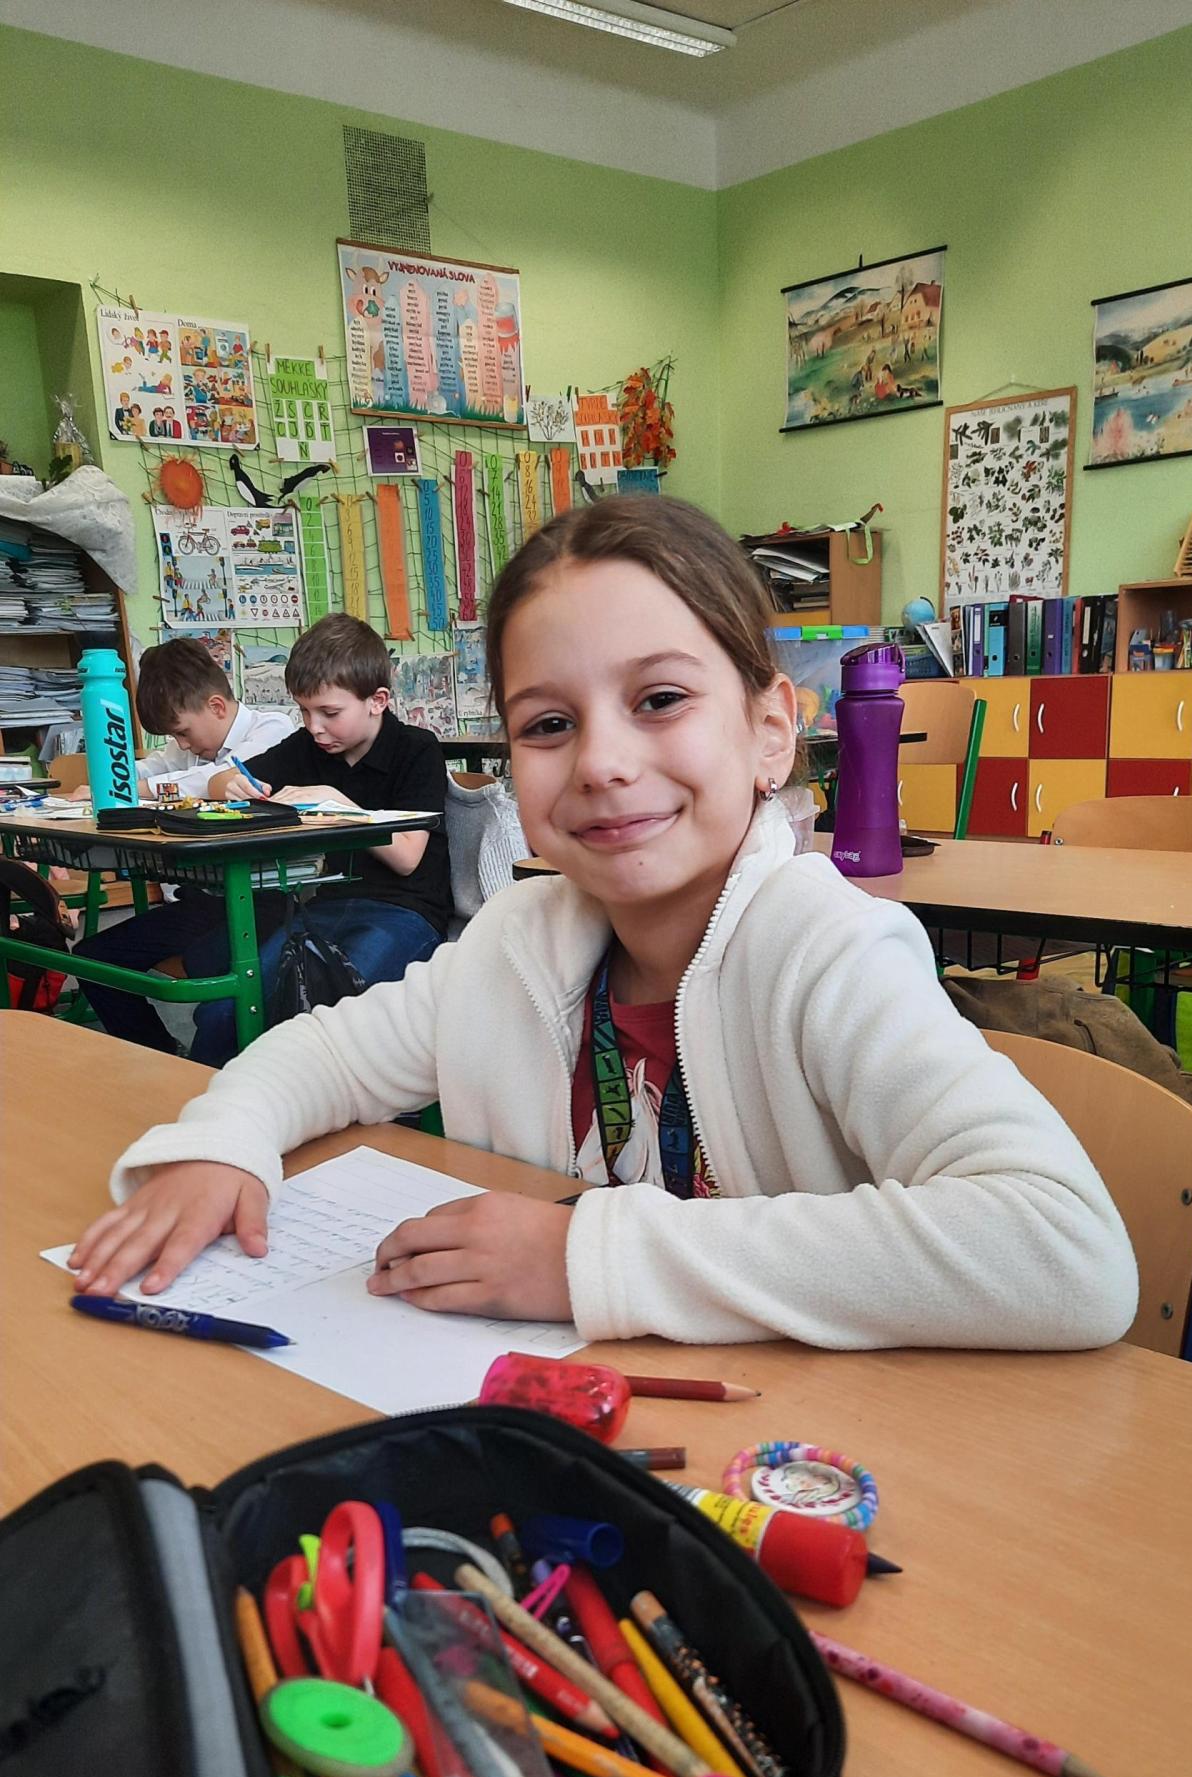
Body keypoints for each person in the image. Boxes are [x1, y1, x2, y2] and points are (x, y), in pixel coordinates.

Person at [70, 497, 1137, 1355]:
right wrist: (226, 1146)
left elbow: (1064, 1249)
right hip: (558, 1419)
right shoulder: (515, 943)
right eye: (548, 723)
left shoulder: (825, 949)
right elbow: (324, 1054)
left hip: (801, 1461)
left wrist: (586, 1258)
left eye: (660, 699)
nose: (603, 762)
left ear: (771, 732)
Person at [191, 610, 450, 1066]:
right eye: (304, 711)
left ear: (377, 700)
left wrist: (339, 806)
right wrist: (230, 785)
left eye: (329, 713)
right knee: (222, 1014)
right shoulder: (308, 746)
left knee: (327, 1010)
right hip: (325, 908)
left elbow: (408, 856)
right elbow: (220, 780)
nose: (314, 727)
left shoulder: (417, 749)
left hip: (405, 913)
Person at [74, 639, 296, 1052]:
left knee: (210, 975)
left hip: (265, 901)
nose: (182, 745)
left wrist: (129, 788)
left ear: (216, 706)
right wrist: (102, 783)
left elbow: (211, 781)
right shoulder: (189, 747)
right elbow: (152, 768)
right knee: (93, 958)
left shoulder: (274, 730)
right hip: (205, 900)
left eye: (182, 732)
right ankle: (162, 1056)